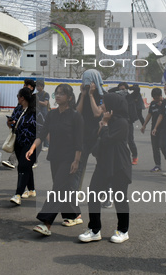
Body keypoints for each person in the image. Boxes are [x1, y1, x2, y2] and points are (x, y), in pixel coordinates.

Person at [26, 83, 83, 236]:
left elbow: (79, 141)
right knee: (64, 188)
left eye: (62, 94)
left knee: (57, 188)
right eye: (56, 93)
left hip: (70, 158)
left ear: (69, 98)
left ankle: (46, 222)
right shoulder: (52, 114)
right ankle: (74, 214)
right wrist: (32, 148)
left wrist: (76, 161)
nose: (58, 96)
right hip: (55, 157)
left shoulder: (75, 116)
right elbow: (43, 133)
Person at [78, 93, 131, 244]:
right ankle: (94, 230)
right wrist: (102, 125)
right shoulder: (105, 120)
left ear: (113, 106)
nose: (102, 106)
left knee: (120, 199)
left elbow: (107, 141)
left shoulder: (122, 123)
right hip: (103, 164)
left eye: (104, 103)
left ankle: (123, 230)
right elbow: (96, 143)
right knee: (93, 195)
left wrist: (105, 125)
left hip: (119, 165)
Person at [74, 69, 104, 196]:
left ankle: (103, 193)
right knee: (79, 166)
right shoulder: (83, 95)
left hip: (98, 136)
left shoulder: (103, 96)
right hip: (84, 135)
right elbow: (78, 112)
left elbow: (97, 113)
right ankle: (76, 191)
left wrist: (91, 95)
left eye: (89, 81)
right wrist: (84, 95)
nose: (87, 84)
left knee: (102, 165)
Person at [9, 88, 37, 205]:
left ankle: (18, 194)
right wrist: (10, 123)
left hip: (31, 144)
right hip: (19, 142)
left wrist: (34, 147)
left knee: (23, 166)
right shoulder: (18, 109)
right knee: (26, 167)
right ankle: (31, 190)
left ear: (22, 98)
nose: (17, 98)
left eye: (18, 96)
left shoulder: (35, 112)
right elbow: (11, 122)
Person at [116, 82, 140, 165]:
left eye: (123, 89)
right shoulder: (117, 98)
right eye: (120, 89)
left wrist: (128, 88)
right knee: (122, 141)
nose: (121, 91)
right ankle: (123, 158)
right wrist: (118, 90)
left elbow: (137, 89)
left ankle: (135, 156)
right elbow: (109, 92)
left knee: (130, 140)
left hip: (129, 122)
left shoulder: (131, 97)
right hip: (120, 122)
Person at [141, 88, 164, 172]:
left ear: (161, 96)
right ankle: (157, 165)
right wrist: (144, 125)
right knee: (155, 148)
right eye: (154, 98)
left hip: (164, 129)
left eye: (157, 98)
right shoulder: (153, 104)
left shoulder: (165, 103)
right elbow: (149, 114)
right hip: (154, 129)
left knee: (163, 146)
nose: (156, 100)